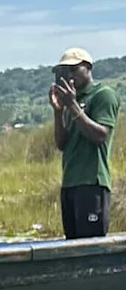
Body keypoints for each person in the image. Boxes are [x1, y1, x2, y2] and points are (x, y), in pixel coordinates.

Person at [49, 47, 120, 240]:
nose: (69, 75)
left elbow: (100, 136)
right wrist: (58, 111)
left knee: (90, 244)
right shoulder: (72, 99)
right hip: (70, 183)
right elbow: (62, 144)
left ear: (87, 67)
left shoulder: (103, 95)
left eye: (73, 69)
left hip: (92, 183)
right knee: (72, 245)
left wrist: (72, 107)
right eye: (64, 72)